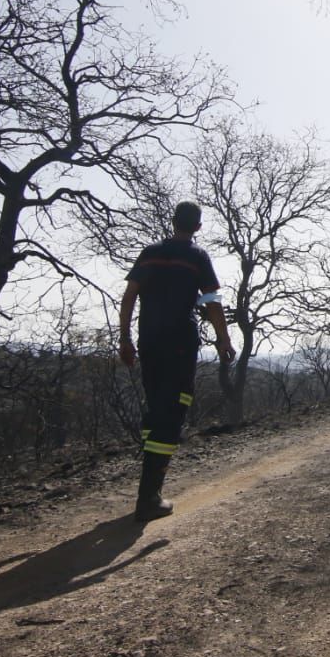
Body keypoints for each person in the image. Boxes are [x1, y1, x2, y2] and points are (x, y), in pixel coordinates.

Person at [118, 201, 235, 522]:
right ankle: (148, 498)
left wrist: (125, 339)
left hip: (148, 341)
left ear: (172, 222)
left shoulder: (149, 253)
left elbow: (129, 296)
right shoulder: (197, 257)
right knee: (174, 410)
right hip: (180, 343)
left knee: (156, 406)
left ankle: (149, 486)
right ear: (197, 227)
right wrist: (223, 338)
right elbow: (212, 301)